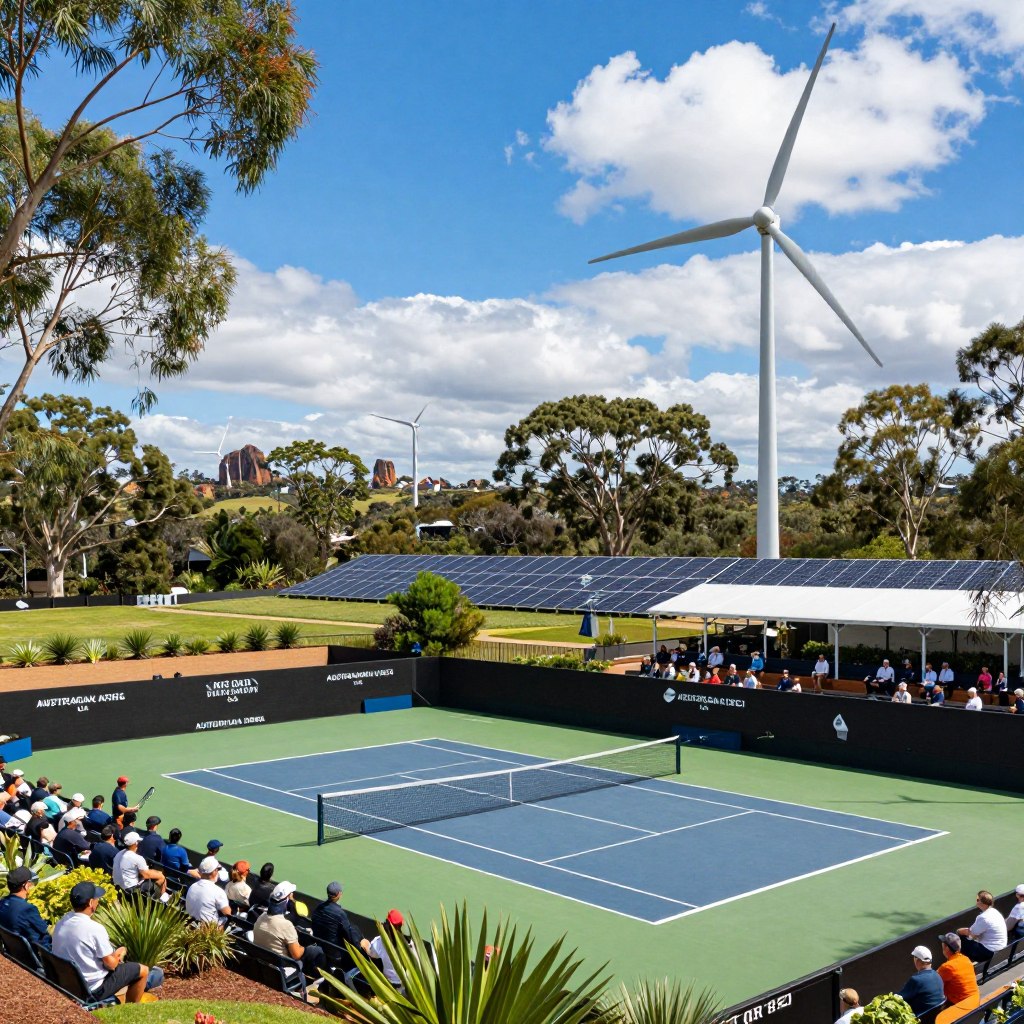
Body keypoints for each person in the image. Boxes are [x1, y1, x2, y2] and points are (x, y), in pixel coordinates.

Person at [52, 881, 163, 1004]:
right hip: (93, 990)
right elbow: (111, 965)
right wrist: (119, 953)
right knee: (143, 970)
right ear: (90, 903)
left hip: (68, 983)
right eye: (96, 898)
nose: (98, 901)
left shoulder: (62, 922)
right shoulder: (94, 928)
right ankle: (133, 1008)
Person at [253, 881, 325, 979]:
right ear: (287, 900)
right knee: (317, 951)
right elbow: (297, 955)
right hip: (281, 967)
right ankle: (317, 983)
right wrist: (304, 947)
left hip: (261, 959)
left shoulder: (261, 917)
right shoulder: (286, 925)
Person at [311, 881, 371, 956]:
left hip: (320, 943)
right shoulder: (340, 914)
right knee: (353, 930)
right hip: (335, 952)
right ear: (339, 894)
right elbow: (349, 935)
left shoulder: (318, 907)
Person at [0, 866, 50, 949]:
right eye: (30, 882)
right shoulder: (27, 909)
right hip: (34, 954)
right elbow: (45, 931)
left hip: (14, 951)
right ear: (26, 885)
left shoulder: (2, 902)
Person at [113, 831, 167, 898]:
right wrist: (159, 873)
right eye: (138, 841)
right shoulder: (138, 858)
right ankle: (160, 900)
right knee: (162, 877)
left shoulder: (119, 853)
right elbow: (146, 875)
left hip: (117, 886)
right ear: (136, 843)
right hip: (130, 890)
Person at [957, 890, 1007, 961]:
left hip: (989, 952)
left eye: (977, 900)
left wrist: (959, 931)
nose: (976, 901)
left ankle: (961, 963)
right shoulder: (995, 912)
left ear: (983, 903)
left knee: (960, 939)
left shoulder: (983, 917)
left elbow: (971, 935)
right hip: (1002, 948)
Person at [896, 945, 945, 1016]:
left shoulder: (916, 980)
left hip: (921, 1018)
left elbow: (898, 998)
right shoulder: (937, 975)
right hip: (936, 1017)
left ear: (918, 960)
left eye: (914, 957)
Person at [936, 932, 980, 1006]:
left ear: (946, 948)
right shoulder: (966, 959)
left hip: (961, 1005)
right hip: (975, 1000)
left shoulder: (947, 967)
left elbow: (934, 982)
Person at [185, 857, 231, 925]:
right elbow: (227, 913)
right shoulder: (218, 891)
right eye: (217, 869)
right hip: (207, 931)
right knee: (225, 919)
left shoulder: (192, 886)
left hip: (190, 924)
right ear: (214, 871)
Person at [368, 909, 406, 989]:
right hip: (405, 985)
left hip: (388, 985)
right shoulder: (408, 945)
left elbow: (371, 953)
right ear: (402, 924)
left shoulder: (378, 943)